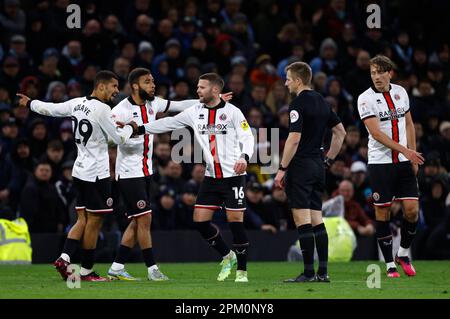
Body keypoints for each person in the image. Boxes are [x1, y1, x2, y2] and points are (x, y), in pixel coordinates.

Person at [106, 68, 232, 281]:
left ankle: (117, 267)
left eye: (153, 81)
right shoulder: (120, 111)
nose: (153, 85)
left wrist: (211, 99)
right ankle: (152, 269)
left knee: (138, 222)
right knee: (145, 218)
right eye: (147, 82)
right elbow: (110, 139)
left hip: (146, 171)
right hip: (128, 173)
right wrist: (126, 133)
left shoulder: (153, 104)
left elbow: (179, 105)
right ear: (135, 86)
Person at [129, 73, 254, 282]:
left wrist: (244, 156)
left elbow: (247, 136)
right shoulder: (195, 112)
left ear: (215, 90)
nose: (197, 91)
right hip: (211, 177)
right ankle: (227, 255)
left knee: (235, 222)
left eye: (202, 87)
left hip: (234, 176)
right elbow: (169, 123)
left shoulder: (233, 112)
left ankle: (242, 272)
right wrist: (141, 129)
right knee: (200, 221)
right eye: (197, 87)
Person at [17, 71, 135, 282]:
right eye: (114, 86)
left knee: (82, 219)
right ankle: (87, 270)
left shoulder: (76, 103)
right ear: (101, 86)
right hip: (97, 174)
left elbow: (51, 109)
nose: (117, 91)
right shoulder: (103, 109)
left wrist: (30, 103)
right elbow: (118, 139)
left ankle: (64, 258)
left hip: (79, 170)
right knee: (94, 222)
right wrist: (130, 128)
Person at [274, 62, 346, 283]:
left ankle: (307, 273)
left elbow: (294, 139)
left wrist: (282, 169)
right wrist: (328, 160)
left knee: (301, 218)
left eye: (287, 79)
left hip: (301, 166)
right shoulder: (323, 102)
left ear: (297, 80)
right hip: (318, 165)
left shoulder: (297, 104)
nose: (285, 83)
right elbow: (340, 132)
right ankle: (322, 273)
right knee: (317, 218)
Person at [357, 55, 424, 278]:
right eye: (373, 73)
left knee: (412, 211)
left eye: (380, 72)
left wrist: (412, 154)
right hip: (380, 163)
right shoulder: (364, 99)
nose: (376, 77)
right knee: (382, 212)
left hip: (404, 163)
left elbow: (409, 123)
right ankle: (389, 264)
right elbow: (375, 133)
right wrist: (406, 150)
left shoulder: (401, 92)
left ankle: (403, 254)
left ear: (390, 73)